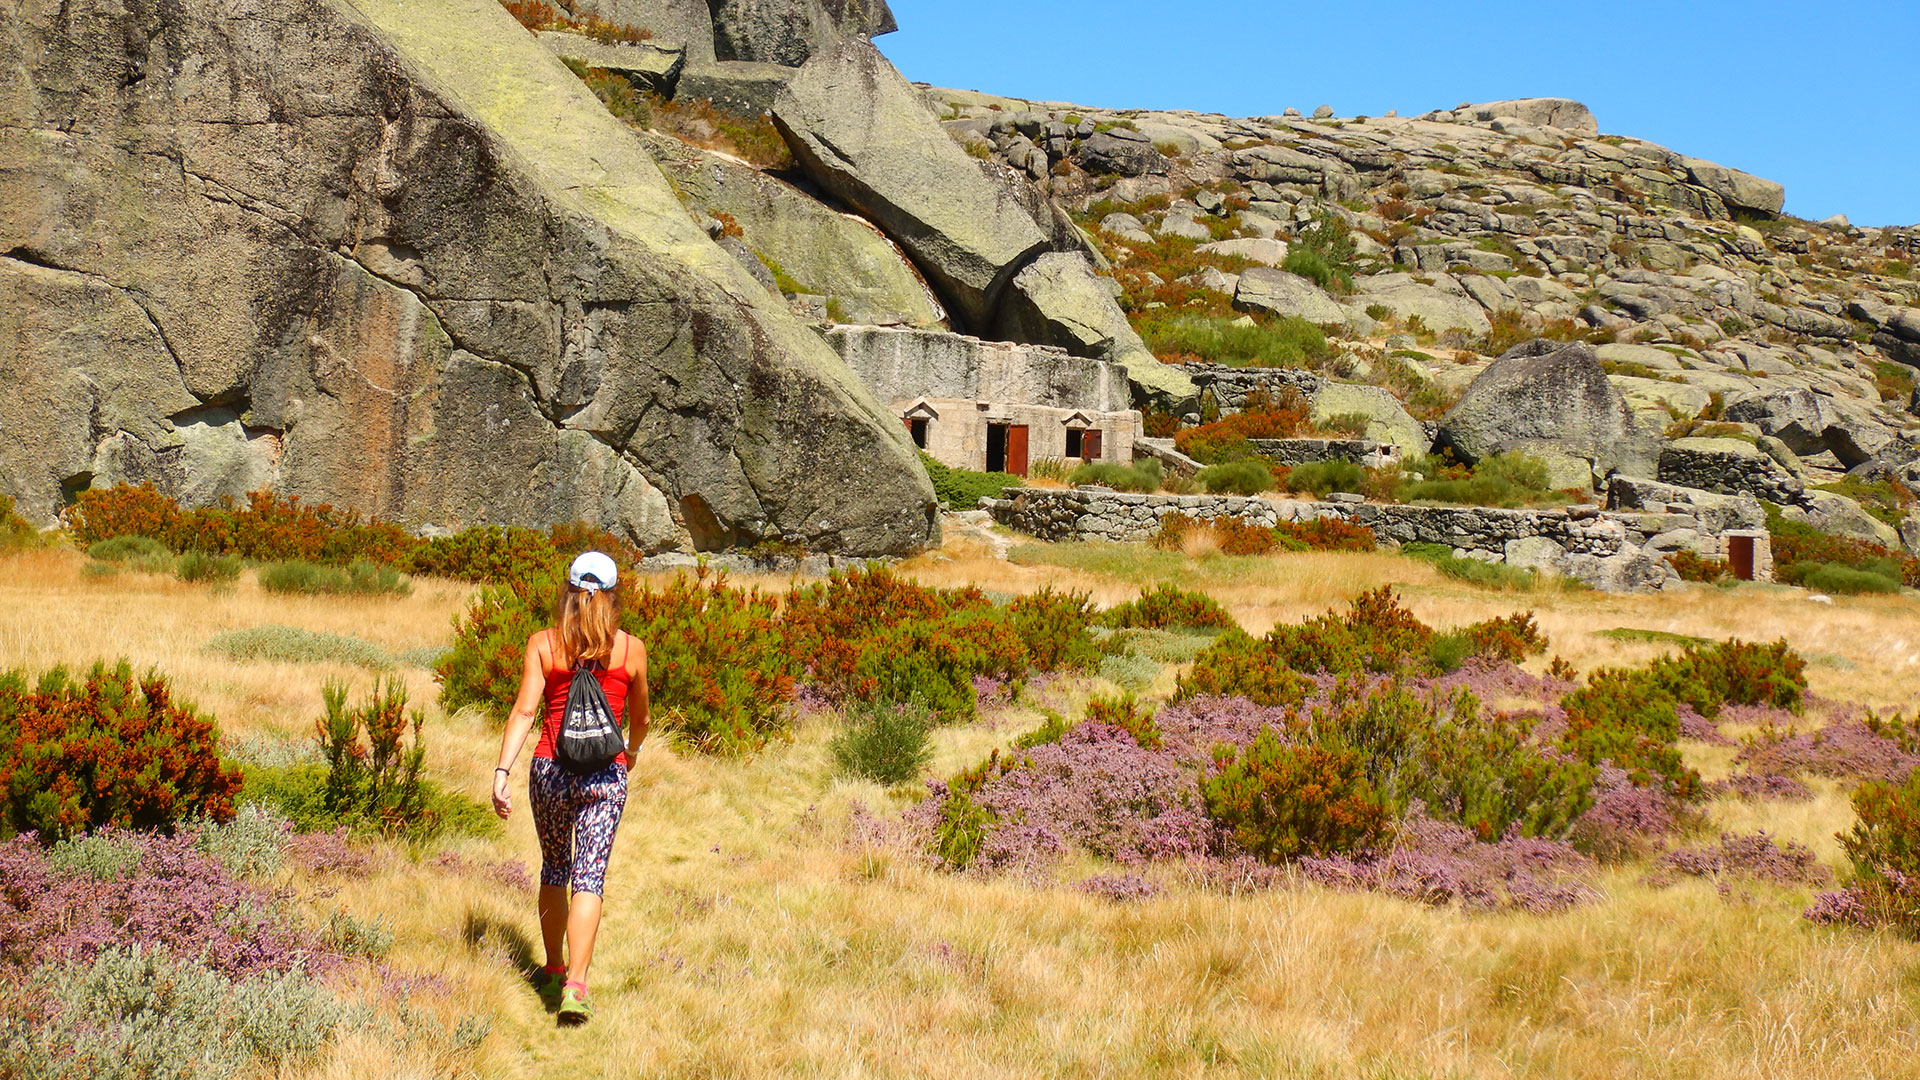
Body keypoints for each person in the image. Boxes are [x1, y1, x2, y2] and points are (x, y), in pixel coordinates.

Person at [491, 551, 648, 1025]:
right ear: (614, 596)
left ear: (568, 592)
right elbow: (639, 719)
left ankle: (554, 967)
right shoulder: (630, 649)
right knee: (590, 876)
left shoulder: (543, 644)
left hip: (549, 770)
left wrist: (502, 771)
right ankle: (577, 986)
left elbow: (523, 713)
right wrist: (632, 752)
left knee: (555, 867)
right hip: (606, 773)